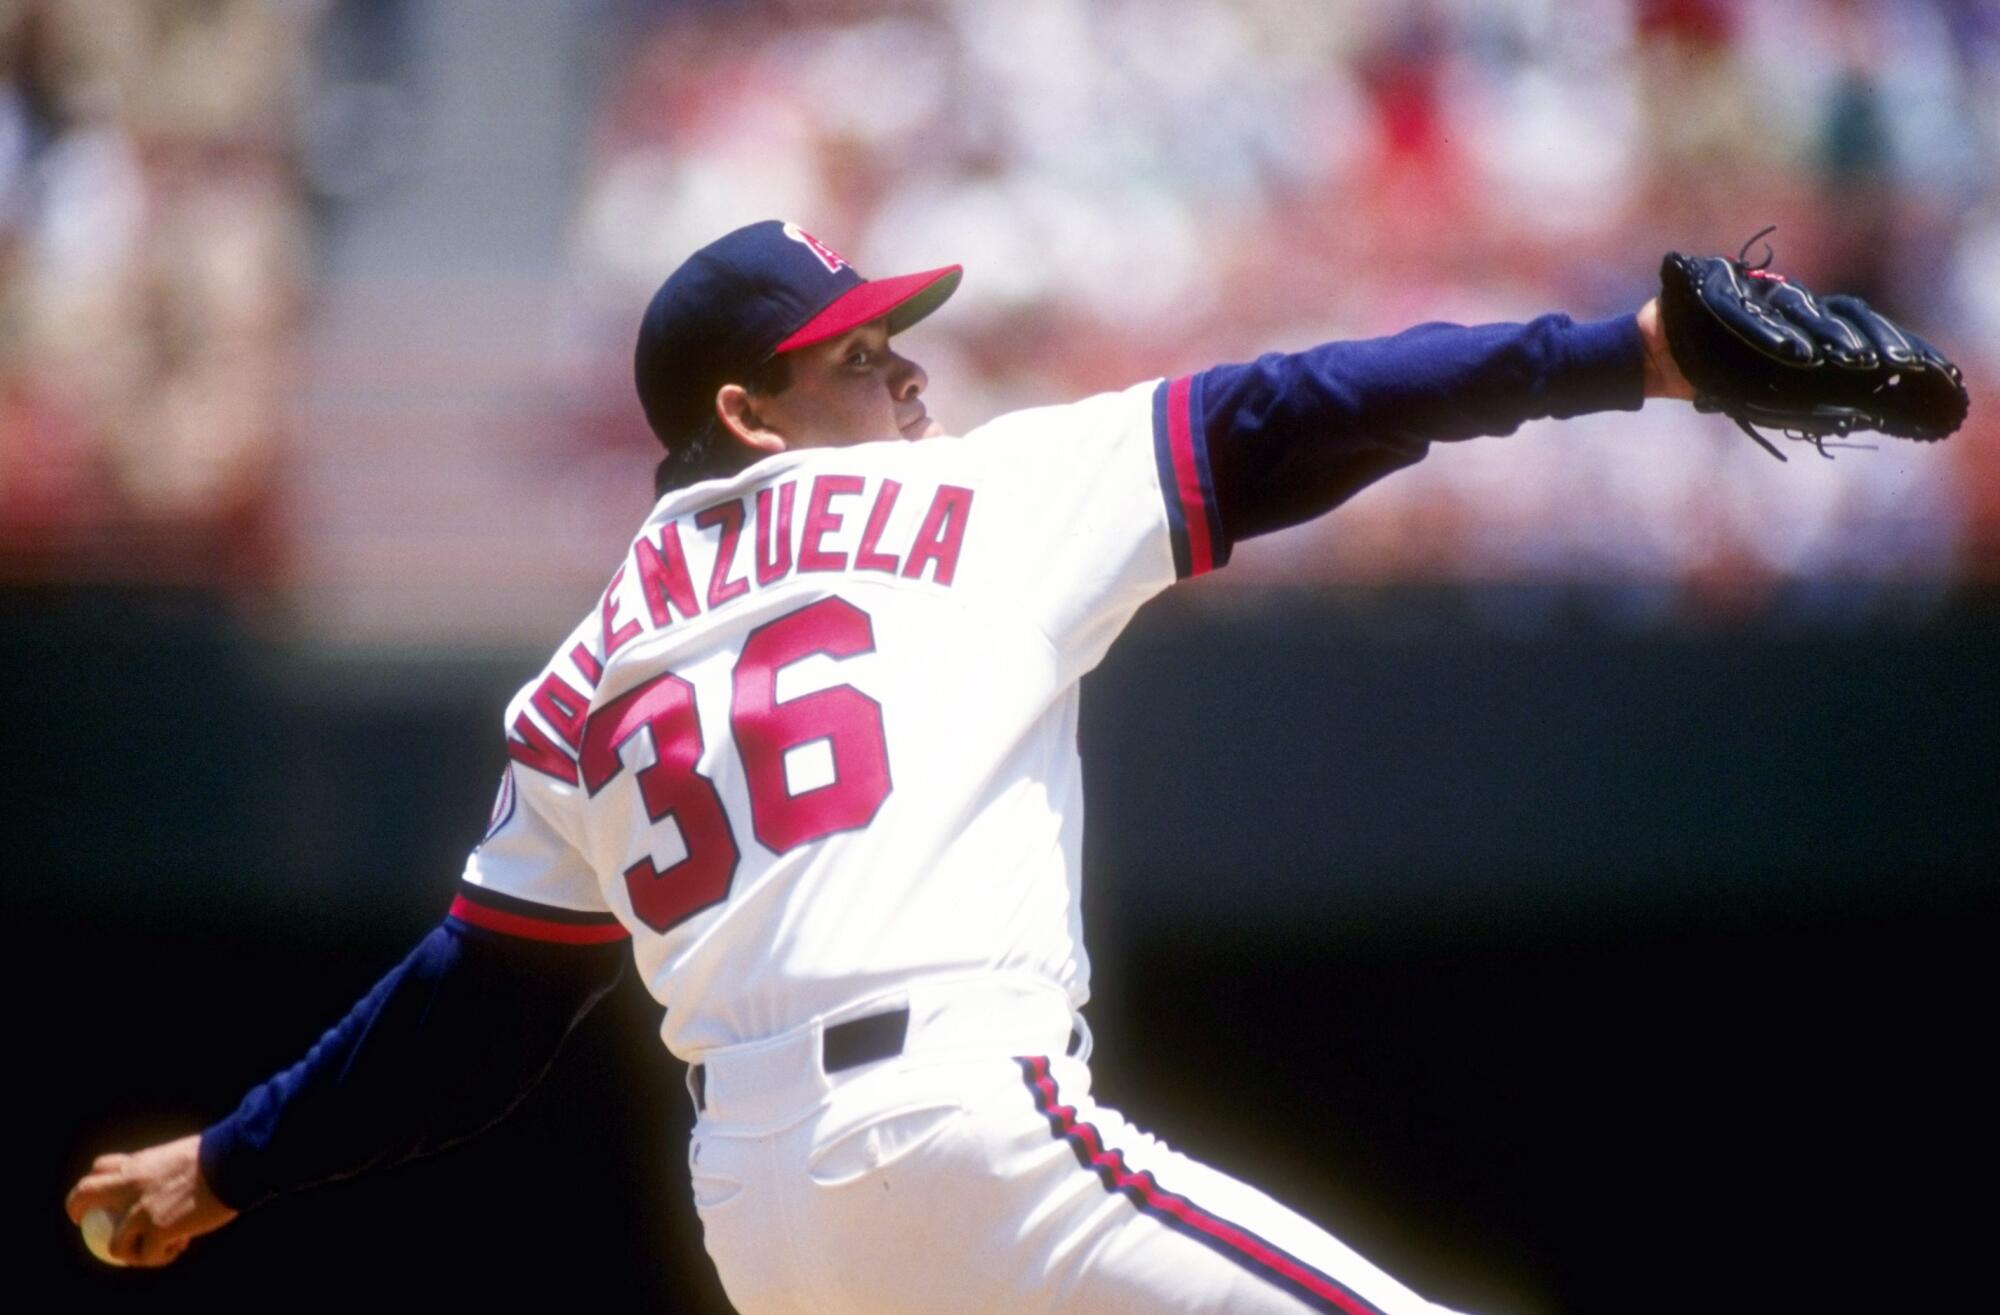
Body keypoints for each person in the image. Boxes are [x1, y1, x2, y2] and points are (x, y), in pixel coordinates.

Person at [66, 219, 1696, 1311]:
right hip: (962, 1127)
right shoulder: (967, 502)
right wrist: (1628, 353)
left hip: (763, 1228)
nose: (910, 370)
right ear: (748, 413)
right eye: (859, 357)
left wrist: (229, 1160)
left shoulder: (579, 676)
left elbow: (467, 1012)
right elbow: (1300, 407)